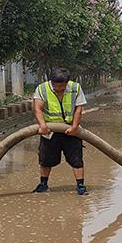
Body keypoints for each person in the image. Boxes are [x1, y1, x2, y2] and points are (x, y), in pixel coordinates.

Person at [32, 67, 89, 195]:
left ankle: (80, 185)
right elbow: (37, 109)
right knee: (46, 158)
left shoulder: (75, 88)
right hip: (49, 130)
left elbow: (78, 109)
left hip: (71, 129)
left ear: (67, 83)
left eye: (62, 87)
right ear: (51, 81)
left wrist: (75, 127)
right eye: (55, 86)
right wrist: (42, 126)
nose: (58, 89)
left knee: (76, 158)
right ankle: (43, 184)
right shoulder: (42, 89)